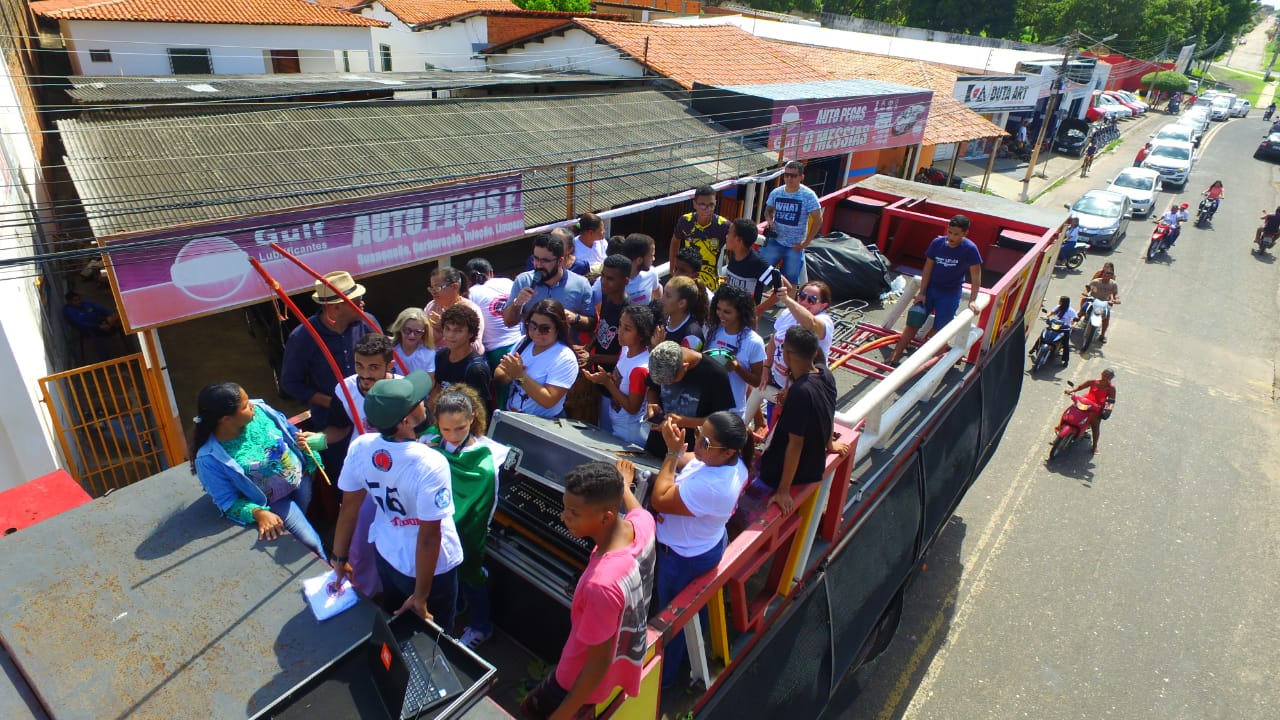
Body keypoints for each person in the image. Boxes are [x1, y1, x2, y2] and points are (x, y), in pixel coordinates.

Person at [519, 461, 654, 720]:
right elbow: (637, 510)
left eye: (573, 513)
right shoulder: (644, 526)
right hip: (617, 670)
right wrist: (623, 485)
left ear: (606, 517)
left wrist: (561, 715)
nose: (563, 517)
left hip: (573, 682)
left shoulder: (601, 585)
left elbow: (597, 663)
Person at [332, 372, 462, 626]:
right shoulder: (431, 463)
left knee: (396, 623)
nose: (424, 401)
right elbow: (429, 537)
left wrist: (338, 559)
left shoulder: (361, 446)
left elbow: (348, 509)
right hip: (430, 571)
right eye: (417, 401)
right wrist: (421, 598)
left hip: (387, 554)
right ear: (405, 421)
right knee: (439, 637)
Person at [650, 411, 751, 688]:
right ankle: (686, 658)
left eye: (705, 442)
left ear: (728, 451)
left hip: (683, 557)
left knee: (670, 624)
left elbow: (660, 499)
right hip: (702, 545)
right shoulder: (727, 463)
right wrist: (677, 449)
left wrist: (671, 454)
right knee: (693, 614)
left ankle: (663, 683)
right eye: (697, 435)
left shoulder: (715, 488)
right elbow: (691, 461)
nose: (698, 444)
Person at [190, 382, 326, 559]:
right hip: (275, 503)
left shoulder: (261, 410)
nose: (252, 405)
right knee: (312, 543)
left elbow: (291, 433)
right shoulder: (209, 458)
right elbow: (227, 501)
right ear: (226, 419)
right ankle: (331, 574)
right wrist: (258, 513)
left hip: (303, 480)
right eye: (245, 405)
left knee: (305, 521)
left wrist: (311, 460)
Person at [422, 385, 508, 649]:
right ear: (437, 423)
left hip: (464, 532)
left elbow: (471, 507)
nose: (453, 435)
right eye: (446, 429)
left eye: (460, 428)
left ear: (472, 419)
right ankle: (457, 605)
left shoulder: (483, 462)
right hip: (437, 527)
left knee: (470, 572)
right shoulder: (431, 440)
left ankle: (481, 626)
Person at [758, 327, 840, 515]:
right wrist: (830, 444)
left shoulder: (800, 392)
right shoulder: (825, 373)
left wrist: (783, 490)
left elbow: (795, 443)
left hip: (790, 472)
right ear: (815, 353)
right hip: (815, 462)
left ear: (786, 355)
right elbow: (829, 411)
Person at [280, 271, 371, 434]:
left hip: (370, 414)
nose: (363, 304)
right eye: (357, 302)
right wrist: (333, 402)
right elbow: (291, 383)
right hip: (332, 423)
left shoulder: (367, 323)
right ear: (335, 308)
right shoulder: (302, 338)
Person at [888, 214, 983, 365]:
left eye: (956, 234)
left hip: (950, 294)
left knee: (941, 331)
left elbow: (976, 275)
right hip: (931, 290)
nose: (951, 237)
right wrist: (922, 293)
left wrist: (972, 300)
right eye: (950, 232)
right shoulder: (937, 243)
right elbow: (927, 268)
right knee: (914, 321)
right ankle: (895, 355)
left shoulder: (970, 249)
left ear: (965, 233)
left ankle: (937, 364)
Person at [644, 341, 736, 457]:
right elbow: (652, 389)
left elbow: (720, 421)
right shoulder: (662, 361)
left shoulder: (716, 375)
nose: (667, 384)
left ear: (685, 366)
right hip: (655, 446)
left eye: (671, 381)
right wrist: (652, 403)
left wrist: (684, 421)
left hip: (688, 454)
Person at [497, 298, 579, 419]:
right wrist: (509, 375)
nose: (536, 332)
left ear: (558, 328)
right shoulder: (523, 343)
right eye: (532, 325)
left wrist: (519, 375)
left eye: (545, 328)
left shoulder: (565, 358)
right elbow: (498, 374)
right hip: (511, 417)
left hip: (542, 425)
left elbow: (548, 401)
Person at [585, 305, 654, 446]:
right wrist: (605, 377)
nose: (620, 332)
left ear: (641, 335)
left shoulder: (640, 369)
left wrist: (607, 383)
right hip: (616, 425)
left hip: (629, 435)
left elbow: (632, 408)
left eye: (627, 329)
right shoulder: (625, 348)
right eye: (620, 325)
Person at [504, 233, 595, 336]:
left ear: (560, 261)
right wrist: (518, 303)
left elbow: (592, 324)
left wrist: (575, 318)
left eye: (545, 261)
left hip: (566, 348)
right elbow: (508, 322)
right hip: (532, 348)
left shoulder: (581, 284)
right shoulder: (523, 281)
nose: (538, 265)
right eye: (535, 258)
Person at [705, 283, 766, 417]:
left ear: (740, 312)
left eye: (727, 312)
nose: (720, 315)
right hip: (707, 404)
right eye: (718, 309)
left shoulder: (754, 342)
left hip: (732, 411)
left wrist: (737, 367)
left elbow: (756, 381)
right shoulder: (713, 330)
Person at [762, 160, 823, 283]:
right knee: (762, 272)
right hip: (776, 240)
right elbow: (768, 210)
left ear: (801, 177)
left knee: (791, 278)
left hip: (795, 245)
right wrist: (770, 220)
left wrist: (806, 242)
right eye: (786, 175)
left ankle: (784, 302)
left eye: (793, 176)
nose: (789, 178)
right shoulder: (777, 192)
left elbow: (818, 219)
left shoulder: (808, 195)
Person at [434, 304, 494, 416]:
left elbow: (479, 410)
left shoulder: (476, 369)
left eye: (458, 331)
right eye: (447, 329)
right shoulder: (440, 355)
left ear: (470, 334)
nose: (450, 335)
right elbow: (437, 389)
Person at [465, 257, 523, 372]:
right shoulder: (507, 282)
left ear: (468, 279)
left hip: (496, 352)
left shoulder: (471, 294)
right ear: (491, 273)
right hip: (521, 343)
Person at [670, 185, 730, 290]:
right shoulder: (685, 221)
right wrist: (672, 268)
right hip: (687, 281)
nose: (707, 209)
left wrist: (731, 272)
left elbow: (735, 246)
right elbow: (675, 241)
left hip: (711, 284)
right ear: (694, 204)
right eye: (702, 205)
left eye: (711, 205)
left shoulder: (723, 226)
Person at [722, 217, 782, 309]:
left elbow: (785, 288)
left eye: (729, 233)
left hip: (746, 318)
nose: (726, 236)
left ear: (738, 240)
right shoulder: (733, 255)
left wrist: (759, 310)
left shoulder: (757, 263)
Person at [425, 266, 485, 355]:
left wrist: (444, 328)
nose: (433, 292)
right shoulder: (431, 306)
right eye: (432, 288)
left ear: (455, 286)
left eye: (437, 288)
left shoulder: (470, 310)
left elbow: (475, 346)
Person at [589, 254, 633, 369]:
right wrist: (587, 348)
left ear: (626, 281)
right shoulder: (606, 296)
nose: (603, 281)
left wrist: (592, 358)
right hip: (598, 367)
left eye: (610, 279)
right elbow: (602, 328)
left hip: (614, 375)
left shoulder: (629, 312)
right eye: (602, 276)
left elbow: (627, 355)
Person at [593, 233, 662, 307]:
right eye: (652, 255)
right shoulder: (605, 282)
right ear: (639, 260)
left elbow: (657, 291)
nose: (654, 259)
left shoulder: (652, 273)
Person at [1061, 369, 1116, 454]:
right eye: (1104, 375)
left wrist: (1109, 409)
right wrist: (1071, 391)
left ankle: (1094, 446)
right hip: (1085, 402)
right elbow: (1080, 387)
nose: (1105, 377)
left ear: (1111, 378)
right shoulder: (1092, 382)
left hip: (1096, 407)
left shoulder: (1111, 388)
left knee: (1095, 427)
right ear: (1101, 373)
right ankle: (1059, 429)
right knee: (1069, 412)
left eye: (1108, 376)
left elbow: (1111, 401)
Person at [656, 275, 708, 352]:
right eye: (664, 293)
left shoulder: (692, 336)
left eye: (668, 296)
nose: (662, 299)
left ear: (682, 303)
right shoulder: (661, 319)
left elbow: (683, 363)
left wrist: (658, 346)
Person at [1079, 263, 1120, 343]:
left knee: (1106, 318)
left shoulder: (1113, 284)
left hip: (1103, 302)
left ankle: (1102, 335)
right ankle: (1072, 325)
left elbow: (1115, 294)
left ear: (1111, 277)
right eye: (1105, 275)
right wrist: (1086, 293)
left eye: (1108, 275)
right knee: (1082, 311)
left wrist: (1116, 300)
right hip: (1093, 300)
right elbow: (1088, 288)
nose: (1106, 276)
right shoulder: (1096, 281)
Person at [388, 307, 435, 377]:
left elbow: (429, 382)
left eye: (418, 332)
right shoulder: (388, 349)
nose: (412, 335)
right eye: (407, 330)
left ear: (424, 333)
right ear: (399, 328)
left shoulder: (429, 354)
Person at [1032, 295, 1078, 365]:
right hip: (1055, 325)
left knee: (1065, 344)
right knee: (1042, 335)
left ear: (1063, 302)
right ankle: (1033, 349)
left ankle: (1065, 360)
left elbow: (1075, 320)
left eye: (1060, 300)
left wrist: (1073, 325)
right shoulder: (1058, 307)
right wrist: (1046, 316)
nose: (1059, 301)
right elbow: (1052, 313)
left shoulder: (1071, 311)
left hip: (1064, 328)